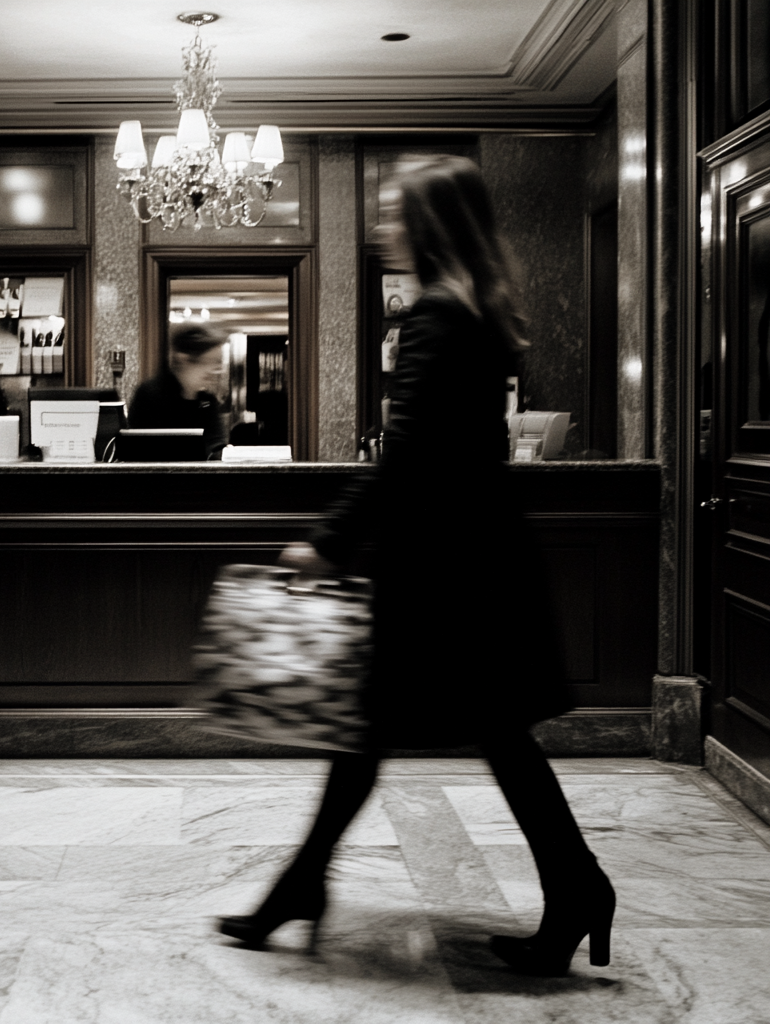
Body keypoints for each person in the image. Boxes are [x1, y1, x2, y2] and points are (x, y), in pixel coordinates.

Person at [218, 155, 615, 977]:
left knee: (397, 729)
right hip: (475, 562)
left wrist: (326, 542)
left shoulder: (435, 317)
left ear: (429, 227)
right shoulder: (475, 310)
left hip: (445, 574)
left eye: (397, 214)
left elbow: (405, 459)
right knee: (458, 733)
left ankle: (304, 887)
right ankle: (573, 888)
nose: (386, 229)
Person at [128, 324, 227, 457]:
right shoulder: (150, 395)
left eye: (218, 363)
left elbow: (216, 445)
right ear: (183, 359)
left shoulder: (207, 400)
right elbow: (140, 451)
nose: (216, 370)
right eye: (209, 362)